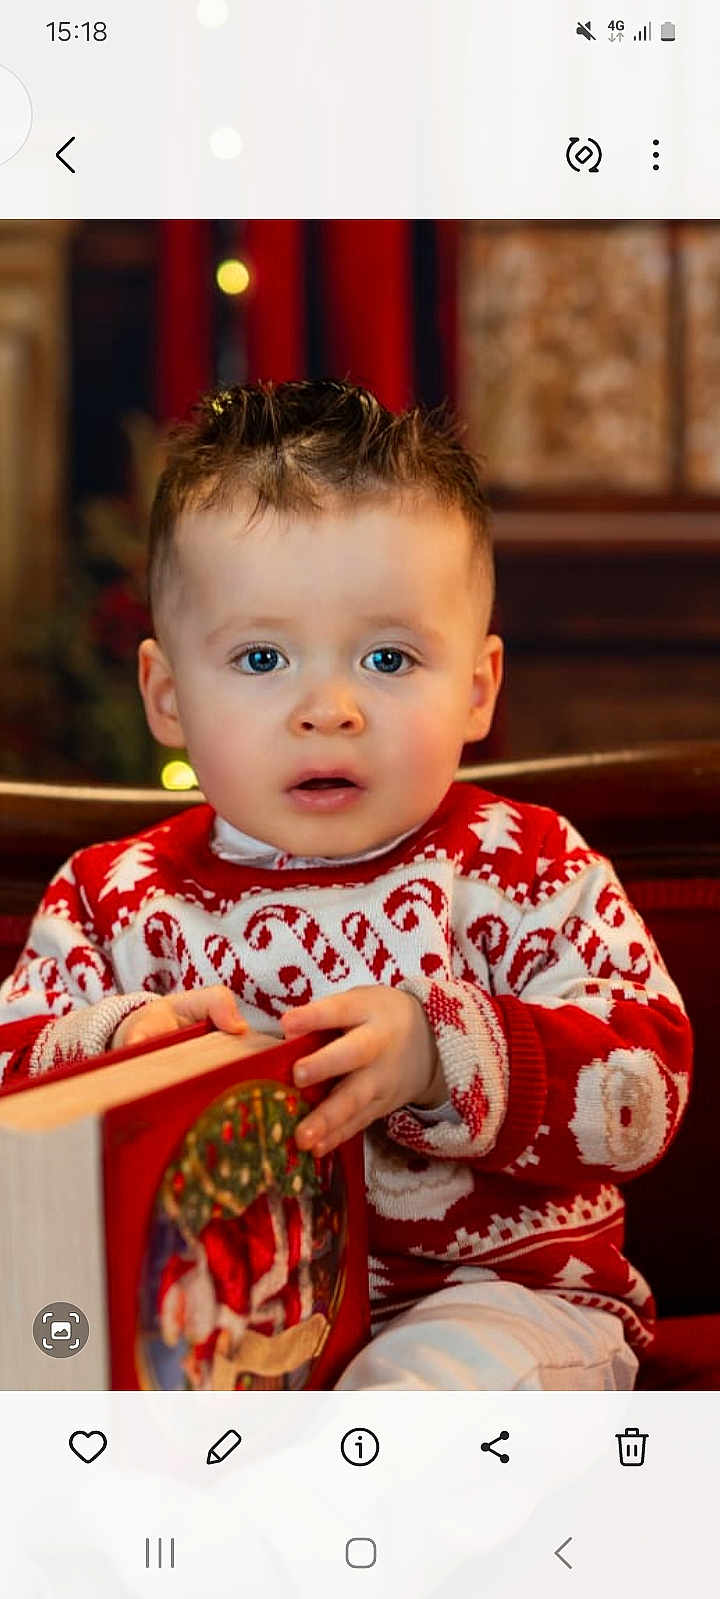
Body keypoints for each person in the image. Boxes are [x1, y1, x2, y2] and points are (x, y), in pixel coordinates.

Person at [0, 379, 692, 1390]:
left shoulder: (525, 863)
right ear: (166, 694)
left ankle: (322, 1530)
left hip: (500, 1304)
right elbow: (13, 1076)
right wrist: (109, 1052)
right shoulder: (114, 896)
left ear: (477, 689)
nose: (328, 708)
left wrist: (440, 1056)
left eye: (387, 655)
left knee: (430, 1394)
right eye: (263, 655)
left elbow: (647, 1084)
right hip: (205, 1334)